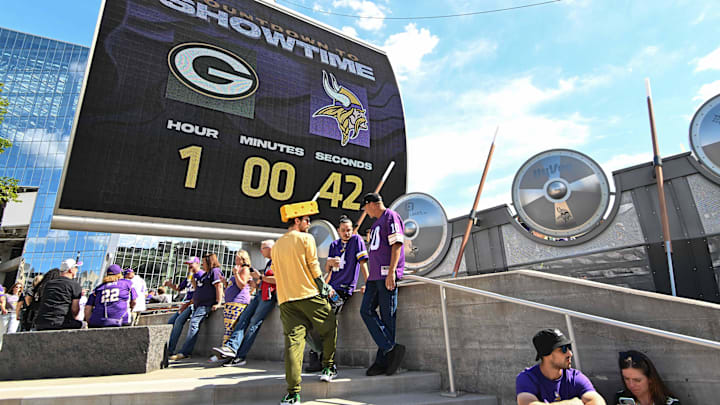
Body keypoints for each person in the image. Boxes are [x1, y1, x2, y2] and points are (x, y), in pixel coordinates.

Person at [273, 201, 338, 405]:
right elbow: (313, 266)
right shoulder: (306, 238)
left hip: (286, 300)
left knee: (293, 345)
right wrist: (324, 288)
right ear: (296, 220)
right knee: (329, 327)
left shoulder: (276, 245)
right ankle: (328, 366)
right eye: (306, 220)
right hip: (309, 295)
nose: (309, 223)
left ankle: (293, 394)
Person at [305, 215, 369, 372]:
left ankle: (326, 359)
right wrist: (329, 264)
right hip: (329, 288)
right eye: (343, 230)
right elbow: (328, 270)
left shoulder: (357, 241)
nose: (346, 233)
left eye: (348, 230)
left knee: (327, 319)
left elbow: (363, 264)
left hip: (342, 290)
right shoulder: (334, 245)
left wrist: (369, 284)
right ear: (338, 231)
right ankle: (316, 353)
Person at [360, 192, 406, 376]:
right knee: (365, 310)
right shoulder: (376, 223)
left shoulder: (391, 216)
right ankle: (390, 348)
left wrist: (392, 272)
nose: (365, 211)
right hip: (374, 276)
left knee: (388, 317)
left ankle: (382, 361)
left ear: (371, 204)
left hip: (386, 274)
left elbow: (397, 245)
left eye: (365, 207)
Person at [215, 239, 277, 367]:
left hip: (269, 296)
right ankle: (232, 348)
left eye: (263, 248)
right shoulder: (269, 263)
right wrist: (256, 283)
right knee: (243, 318)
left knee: (254, 323)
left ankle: (240, 355)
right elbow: (264, 281)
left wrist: (259, 277)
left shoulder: (278, 261)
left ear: (271, 248)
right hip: (261, 293)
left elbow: (278, 280)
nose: (261, 250)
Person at [516, 328, 605, 405]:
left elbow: (598, 401)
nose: (570, 353)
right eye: (563, 349)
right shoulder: (528, 378)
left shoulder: (574, 376)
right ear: (546, 353)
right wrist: (574, 403)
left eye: (569, 347)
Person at [169, 253, 224, 361]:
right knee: (181, 321)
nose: (203, 264)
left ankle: (185, 352)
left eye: (204, 262)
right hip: (197, 304)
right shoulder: (204, 275)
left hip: (205, 304)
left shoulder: (214, 271)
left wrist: (218, 302)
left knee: (193, 323)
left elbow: (219, 286)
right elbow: (198, 289)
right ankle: (174, 349)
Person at [34, 259, 83, 331]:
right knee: (83, 325)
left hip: (41, 322)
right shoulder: (74, 285)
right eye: (76, 268)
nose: (77, 270)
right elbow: (75, 310)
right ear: (70, 270)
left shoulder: (48, 284)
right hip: (61, 322)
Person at [165, 256, 200, 356]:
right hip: (187, 302)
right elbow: (179, 288)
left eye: (191, 264)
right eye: (188, 264)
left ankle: (170, 350)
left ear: (197, 264)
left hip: (193, 303)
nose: (189, 266)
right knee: (171, 321)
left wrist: (188, 304)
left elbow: (200, 291)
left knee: (178, 321)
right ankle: (167, 347)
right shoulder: (189, 276)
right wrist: (170, 285)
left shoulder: (200, 275)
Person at [615, 350, 680, 405]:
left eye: (637, 380)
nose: (631, 385)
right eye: (626, 379)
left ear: (650, 379)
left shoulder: (670, 403)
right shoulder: (621, 398)